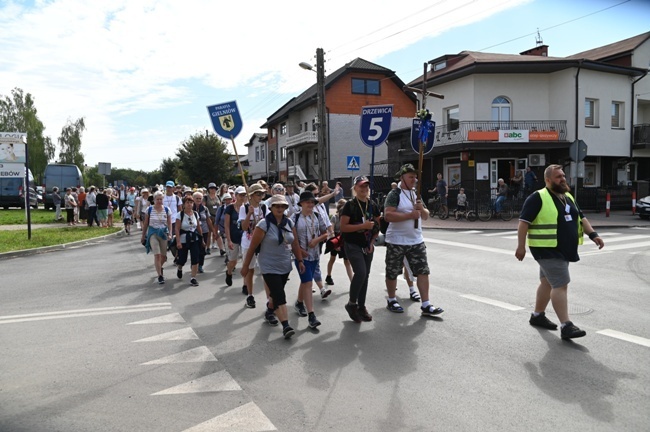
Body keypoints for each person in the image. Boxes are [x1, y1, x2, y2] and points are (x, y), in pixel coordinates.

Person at [516, 164, 604, 339]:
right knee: (560, 285)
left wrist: (593, 234)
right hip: (547, 249)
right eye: (558, 177)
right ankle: (566, 325)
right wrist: (521, 246)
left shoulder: (568, 196)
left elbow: (581, 217)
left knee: (547, 283)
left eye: (563, 176)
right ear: (548, 180)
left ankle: (537, 316)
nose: (563, 179)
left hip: (563, 248)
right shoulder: (537, 197)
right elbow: (523, 222)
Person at [383, 164, 444, 317]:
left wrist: (421, 209)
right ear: (402, 178)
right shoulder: (394, 194)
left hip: (416, 240)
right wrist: (409, 215)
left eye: (415, 177)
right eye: (411, 177)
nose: (414, 179)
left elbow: (425, 215)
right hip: (396, 240)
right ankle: (391, 299)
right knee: (392, 271)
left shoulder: (415, 194)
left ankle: (426, 304)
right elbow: (388, 215)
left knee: (423, 271)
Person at [241, 195, 304, 339]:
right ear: (271, 208)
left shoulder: (289, 223)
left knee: (276, 294)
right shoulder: (263, 224)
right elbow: (252, 247)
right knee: (279, 295)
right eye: (277, 206)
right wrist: (245, 267)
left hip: (284, 264)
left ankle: (270, 311)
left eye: (283, 206)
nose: (280, 209)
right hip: (268, 265)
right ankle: (286, 325)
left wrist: (300, 260)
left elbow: (294, 244)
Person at [339, 176, 380, 323]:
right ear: (355, 188)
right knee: (360, 272)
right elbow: (343, 227)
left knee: (365, 276)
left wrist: (373, 240)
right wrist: (362, 226)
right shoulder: (350, 205)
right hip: (352, 244)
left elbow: (377, 224)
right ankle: (352, 304)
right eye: (361, 186)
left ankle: (361, 307)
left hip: (367, 245)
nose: (364, 189)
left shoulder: (372, 204)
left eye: (366, 186)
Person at [293, 191, 328, 329]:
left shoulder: (318, 216)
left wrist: (317, 240)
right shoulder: (294, 218)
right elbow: (289, 237)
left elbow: (326, 233)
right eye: (308, 202)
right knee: (308, 282)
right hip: (301, 257)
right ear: (301, 203)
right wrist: (299, 251)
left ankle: (299, 303)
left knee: (305, 281)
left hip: (315, 255)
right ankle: (311, 315)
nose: (311, 204)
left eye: (312, 202)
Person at [239, 183, 268, 308]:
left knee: (265, 271)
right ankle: (250, 295)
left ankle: (269, 299)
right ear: (251, 195)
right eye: (258, 194)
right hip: (248, 243)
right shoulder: (244, 208)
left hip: (262, 243)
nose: (261, 196)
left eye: (262, 194)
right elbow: (244, 227)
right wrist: (249, 214)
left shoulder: (264, 207)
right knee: (250, 270)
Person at [141, 191, 173, 284]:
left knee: (163, 256)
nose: (159, 201)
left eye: (161, 199)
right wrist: (143, 235)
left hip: (163, 233)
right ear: (154, 200)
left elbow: (169, 223)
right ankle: (160, 275)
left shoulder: (167, 209)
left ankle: (159, 266)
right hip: (153, 233)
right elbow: (146, 223)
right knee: (157, 255)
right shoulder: (149, 209)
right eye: (157, 199)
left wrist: (170, 233)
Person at [175, 196, 204, 287]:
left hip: (194, 238)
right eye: (187, 202)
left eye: (191, 202)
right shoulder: (180, 214)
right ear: (184, 204)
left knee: (195, 258)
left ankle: (193, 278)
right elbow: (177, 228)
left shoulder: (195, 214)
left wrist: (202, 239)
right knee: (182, 259)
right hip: (184, 239)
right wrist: (178, 241)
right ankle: (180, 268)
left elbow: (198, 227)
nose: (189, 204)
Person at [325, 199, 353, 286]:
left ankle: (352, 282)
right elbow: (331, 230)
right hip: (336, 239)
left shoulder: (347, 217)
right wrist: (335, 243)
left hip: (344, 239)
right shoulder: (335, 217)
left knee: (347, 261)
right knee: (332, 258)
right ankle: (328, 276)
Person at [224, 186, 247, 288]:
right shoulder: (230, 208)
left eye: (244, 195)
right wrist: (228, 240)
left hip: (245, 238)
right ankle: (228, 272)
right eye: (241, 195)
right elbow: (227, 225)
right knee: (233, 261)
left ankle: (245, 285)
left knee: (246, 262)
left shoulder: (247, 208)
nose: (243, 197)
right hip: (233, 238)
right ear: (236, 196)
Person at [193, 191, 214, 274]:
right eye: (197, 198)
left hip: (204, 231)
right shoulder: (190, 208)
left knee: (202, 249)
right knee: (195, 249)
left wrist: (213, 230)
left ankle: (200, 265)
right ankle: (194, 264)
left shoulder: (204, 209)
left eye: (200, 198)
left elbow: (208, 220)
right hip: (194, 231)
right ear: (193, 199)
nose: (198, 200)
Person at [204, 182, 223, 255]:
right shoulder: (206, 197)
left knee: (217, 232)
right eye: (211, 188)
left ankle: (220, 248)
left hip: (217, 216)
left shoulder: (218, 197)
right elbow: (204, 207)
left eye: (214, 188)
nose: (213, 190)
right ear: (208, 189)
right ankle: (208, 248)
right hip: (209, 216)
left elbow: (220, 205)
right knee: (209, 233)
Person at [215, 192, 233, 262]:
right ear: (224, 200)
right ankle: (228, 257)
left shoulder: (233, 207)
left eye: (229, 199)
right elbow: (217, 220)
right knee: (226, 243)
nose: (228, 201)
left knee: (232, 244)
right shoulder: (221, 208)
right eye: (226, 199)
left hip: (232, 229)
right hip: (223, 229)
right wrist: (215, 232)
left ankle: (230, 257)